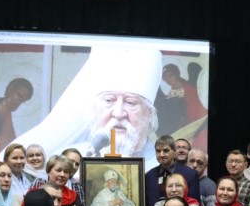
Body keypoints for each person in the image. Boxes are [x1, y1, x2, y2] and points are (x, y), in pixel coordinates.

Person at [9, 47, 162, 166]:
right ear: (95, 110)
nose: (118, 113)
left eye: (130, 102)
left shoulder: (163, 165)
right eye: (109, 100)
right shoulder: (68, 162)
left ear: (149, 114)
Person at [144, 135, 200, 206]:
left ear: (174, 152)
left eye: (166, 150)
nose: (161, 154)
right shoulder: (149, 176)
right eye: (158, 151)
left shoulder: (190, 175)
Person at [0, 77, 34, 146]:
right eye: (19, 95)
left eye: (23, 100)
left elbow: (11, 139)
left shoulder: (7, 111)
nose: (20, 101)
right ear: (10, 90)